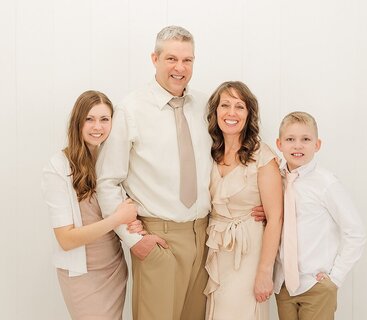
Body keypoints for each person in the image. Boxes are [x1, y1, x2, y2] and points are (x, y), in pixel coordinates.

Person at [96, 26, 265, 320]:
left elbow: (228, 154)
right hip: (157, 238)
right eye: (171, 59)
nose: (180, 68)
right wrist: (134, 239)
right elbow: (107, 180)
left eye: (187, 60)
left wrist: (253, 201)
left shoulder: (205, 105)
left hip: (204, 237)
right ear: (155, 58)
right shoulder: (131, 108)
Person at [42, 90, 143, 319]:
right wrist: (117, 219)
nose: (97, 126)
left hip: (113, 268)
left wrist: (131, 224)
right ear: (78, 122)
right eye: (90, 119)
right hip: (81, 274)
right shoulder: (58, 167)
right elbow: (66, 239)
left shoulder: (114, 162)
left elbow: (123, 209)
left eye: (104, 119)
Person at [273, 111, 367, 320]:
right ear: (279, 144)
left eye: (305, 139)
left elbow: (355, 232)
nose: (298, 146)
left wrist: (335, 278)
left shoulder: (326, 183)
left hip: (316, 285)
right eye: (290, 139)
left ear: (317, 145)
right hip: (283, 285)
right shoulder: (274, 179)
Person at [203, 81, 283, 320]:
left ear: (249, 115)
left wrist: (264, 272)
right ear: (215, 112)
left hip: (249, 253)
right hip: (216, 250)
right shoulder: (208, 153)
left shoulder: (263, 157)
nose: (231, 113)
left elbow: (275, 217)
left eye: (240, 107)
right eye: (225, 105)